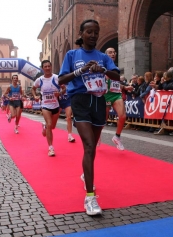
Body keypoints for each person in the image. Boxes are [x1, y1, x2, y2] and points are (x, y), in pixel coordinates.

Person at [58, 19, 119, 216]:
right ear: (82, 33)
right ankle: (90, 197)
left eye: (96, 32)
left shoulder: (103, 57)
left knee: (92, 150)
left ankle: (87, 174)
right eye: (89, 32)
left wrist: (102, 70)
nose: (93, 35)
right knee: (89, 145)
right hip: (80, 101)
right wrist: (81, 70)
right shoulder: (72, 54)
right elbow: (61, 79)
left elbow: (117, 76)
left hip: (99, 101)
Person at [32, 60, 65, 156]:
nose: (47, 68)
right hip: (45, 105)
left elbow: (64, 88)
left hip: (56, 105)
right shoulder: (40, 80)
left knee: (52, 127)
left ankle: (45, 126)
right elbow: (33, 89)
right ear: (42, 68)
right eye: (45, 66)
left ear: (51, 67)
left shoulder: (56, 78)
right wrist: (35, 96)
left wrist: (60, 93)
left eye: (48, 66)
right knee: (50, 125)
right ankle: (51, 148)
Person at [104, 47, 128, 150]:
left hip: (116, 94)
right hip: (106, 95)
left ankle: (117, 137)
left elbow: (116, 83)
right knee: (103, 120)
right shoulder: (103, 66)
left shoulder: (115, 67)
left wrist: (124, 87)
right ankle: (96, 136)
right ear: (106, 55)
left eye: (114, 52)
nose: (113, 54)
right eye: (110, 52)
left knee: (122, 116)